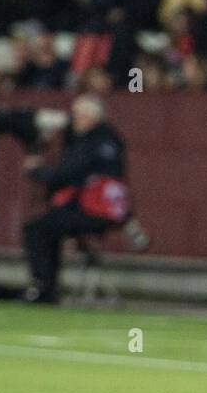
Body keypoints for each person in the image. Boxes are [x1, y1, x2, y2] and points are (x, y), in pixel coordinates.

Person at [22, 95, 128, 303]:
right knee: (49, 226)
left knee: (36, 228)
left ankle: (44, 286)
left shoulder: (90, 143)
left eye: (78, 116)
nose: (74, 121)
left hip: (91, 211)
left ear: (89, 117)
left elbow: (66, 175)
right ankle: (46, 286)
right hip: (106, 211)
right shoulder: (111, 141)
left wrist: (38, 172)